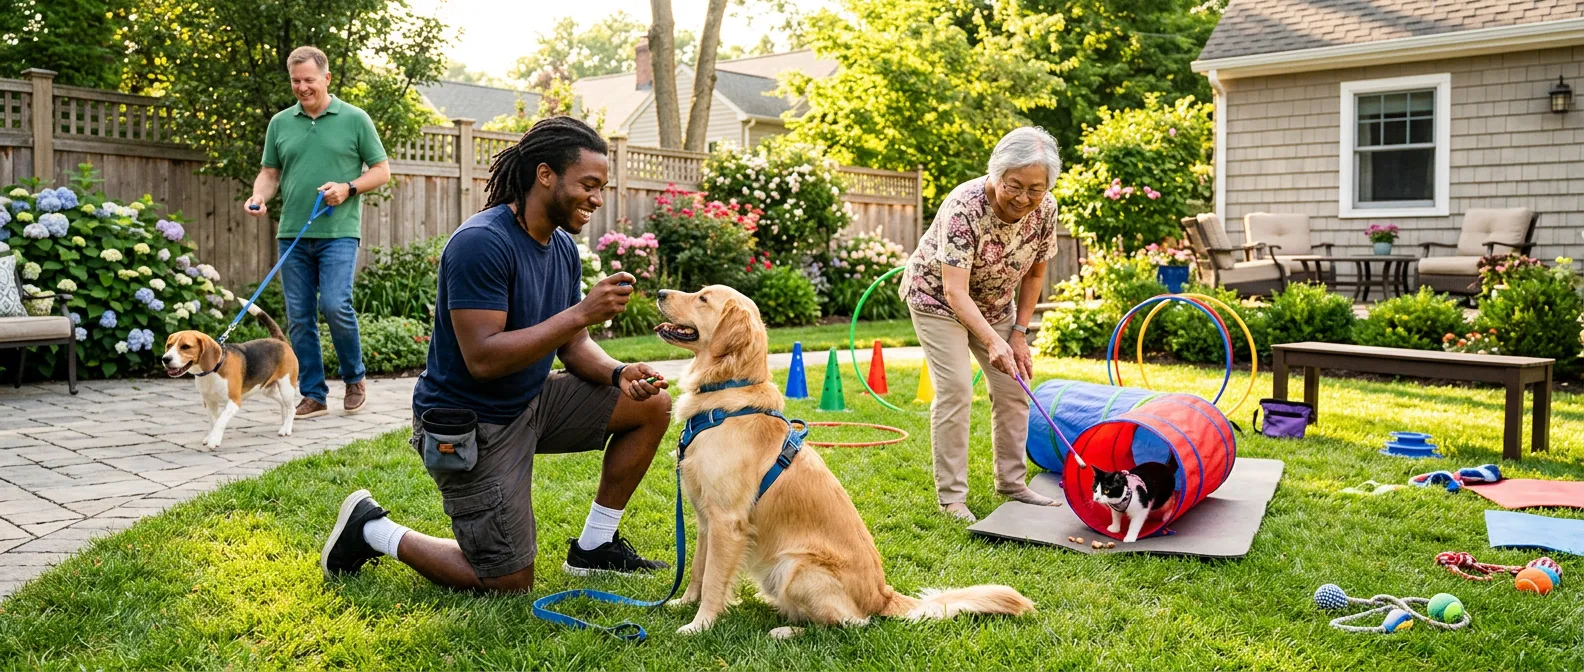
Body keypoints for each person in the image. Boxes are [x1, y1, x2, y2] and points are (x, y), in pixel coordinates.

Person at [318, 116, 674, 592]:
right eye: (588, 184)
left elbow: (573, 346)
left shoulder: (562, 248)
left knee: (649, 404)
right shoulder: (482, 243)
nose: (596, 199)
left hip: (528, 401)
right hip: (472, 422)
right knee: (506, 580)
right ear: (545, 175)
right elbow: (482, 358)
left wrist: (618, 373)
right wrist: (582, 313)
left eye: (601, 188)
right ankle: (370, 528)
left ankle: (594, 548)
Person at [899, 126, 1065, 523]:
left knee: (1015, 386)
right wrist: (993, 342)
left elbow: (1035, 276)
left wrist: (1019, 334)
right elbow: (955, 293)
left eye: (1035, 189)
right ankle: (952, 497)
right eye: (1015, 186)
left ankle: (1012, 483)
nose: (1024, 198)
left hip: (996, 304)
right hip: (938, 299)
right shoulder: (965, 205)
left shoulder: (1046, 209)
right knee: (956, 388)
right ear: (996, 174)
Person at [245, 45, 391, 419]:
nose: (302, 87)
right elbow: (270, 173)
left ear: (326, 78)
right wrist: (259, 196)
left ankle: (354, 378)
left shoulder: (355, 119)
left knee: (335, 305)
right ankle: (313, 393)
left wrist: (348, 188)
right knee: (299, 316)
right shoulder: (280, 122)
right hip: (292, 232)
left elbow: (381, 170)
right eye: (296, 80)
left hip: (339, 232)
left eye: (309, 79)